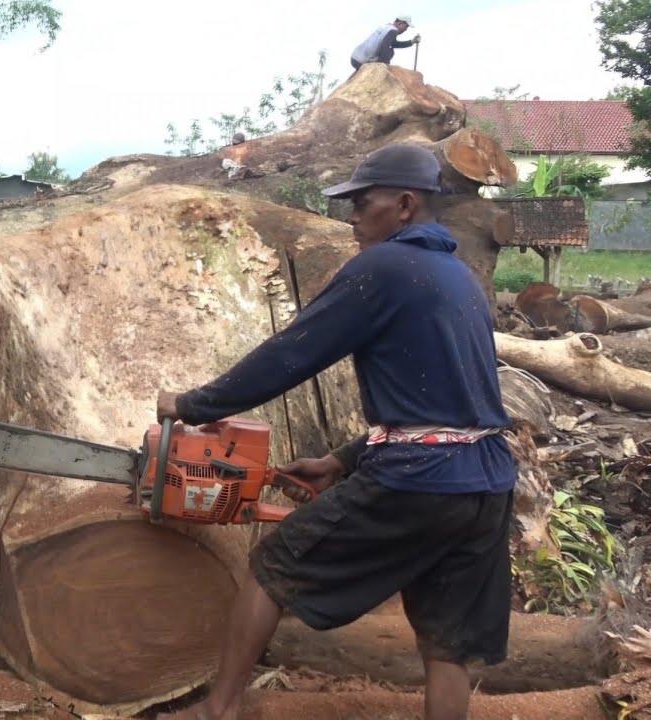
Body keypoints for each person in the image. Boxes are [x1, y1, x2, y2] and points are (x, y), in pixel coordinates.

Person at [154, 143, 516, 720]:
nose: (351, 217)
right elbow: (456, 405)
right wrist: (344, 460)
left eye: (362, 203)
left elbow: (291, 354)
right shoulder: (460, 278)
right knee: (447, 641)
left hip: (420, 480)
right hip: (487, 482)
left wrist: (193, 405)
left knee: (274, 565)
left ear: (403, 204)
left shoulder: (384, 268)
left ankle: (217, 710)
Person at [350, 15, 420, 71]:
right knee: (390, 52)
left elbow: (393, 44)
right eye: (406, 27)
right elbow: (384, 48)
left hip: (355, 57)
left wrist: (411, 42)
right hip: (362, 61)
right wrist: (386, 67)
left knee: (388, 51)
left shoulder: (386, 27)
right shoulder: (393, 31)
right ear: (400, 23)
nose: (405, 30)